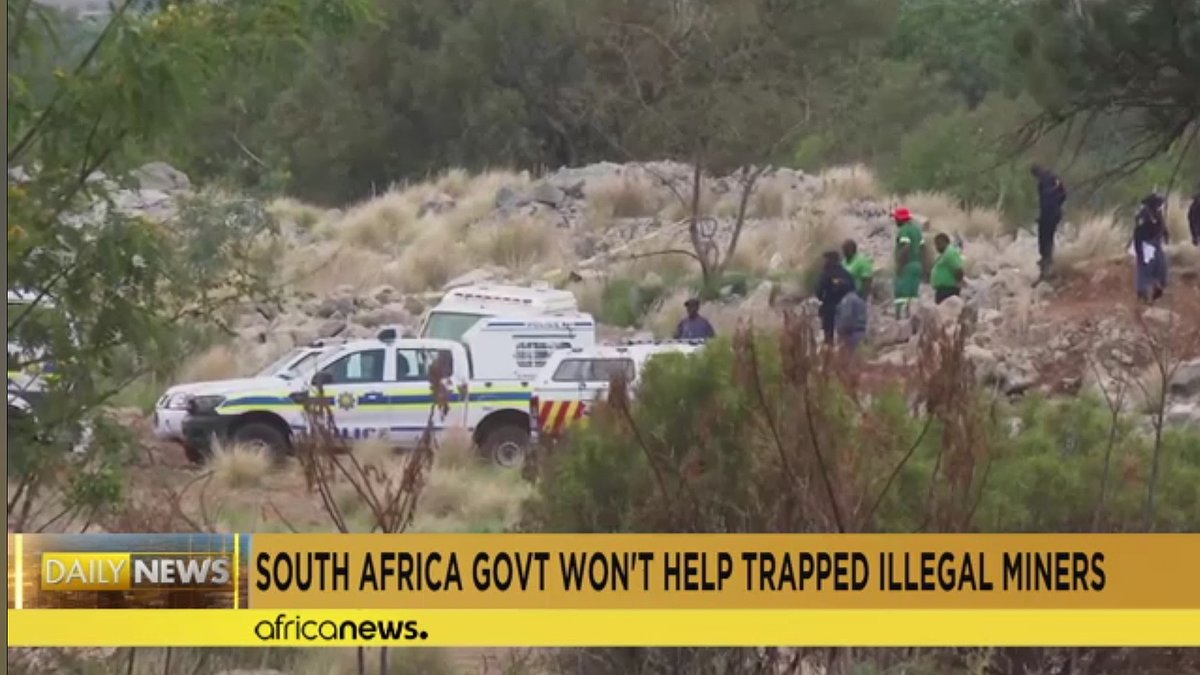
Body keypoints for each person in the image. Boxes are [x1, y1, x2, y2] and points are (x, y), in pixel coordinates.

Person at [1031, 164, 1067, 279]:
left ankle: (1046, 267)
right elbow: (1063, 195)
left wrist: (1043, 216)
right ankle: (1048, 264)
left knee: (1044, 239)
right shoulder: (1056, 179)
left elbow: (1044, 202)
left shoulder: (1043, 183)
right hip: (1056, 213)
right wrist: (1057, 207)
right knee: (1049, 238)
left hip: (1048, 214)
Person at [1133, 193, 1169, 304]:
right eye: (1157, 203)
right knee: (1145, 270)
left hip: (1156, 244)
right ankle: (1143, 295)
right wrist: (1139, 251)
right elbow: (1138, 232)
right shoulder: (1143, 215)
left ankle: (1157, 290)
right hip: (1146, 245)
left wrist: (1165, 234)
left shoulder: (1158, 214)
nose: (1159, 205)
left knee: (1161, 268)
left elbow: (1162, 226)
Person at [816, 250, 856, 345]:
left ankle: (830, 354)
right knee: (844, 336)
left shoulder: (825, 274)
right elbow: (853, 288)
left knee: (828, 335)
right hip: (846, 307)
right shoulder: (846, 274)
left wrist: (823, 299)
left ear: (829, 260)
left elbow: (818, 291)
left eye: (825, 260)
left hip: (829, 306)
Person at [892, 207, 923, 319]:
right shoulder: (917, 230)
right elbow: (923, 248)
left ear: (901, 219)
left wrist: (900, 264)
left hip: (906, 266)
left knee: (901, 296)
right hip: (917, 264)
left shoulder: (904, 230)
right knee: (913, 296)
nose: (895, 221)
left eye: (896, 218)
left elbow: (906, 246)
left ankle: (899, 322)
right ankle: (913, 323)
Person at [930, 233, 965, 304]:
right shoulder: (945, 254)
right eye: (936, 244)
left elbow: (958, 269)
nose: (937, 247)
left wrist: (957, 284)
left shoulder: (950, 252)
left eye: (939, 244)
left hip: (948, 291)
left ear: (945, 242)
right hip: (944, 290)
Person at [835, 287, 868, 354]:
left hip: (849, 332)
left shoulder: (845, 300)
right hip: (858, 331)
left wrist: (841, 331)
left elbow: (845, 316)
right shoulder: (859, 300)